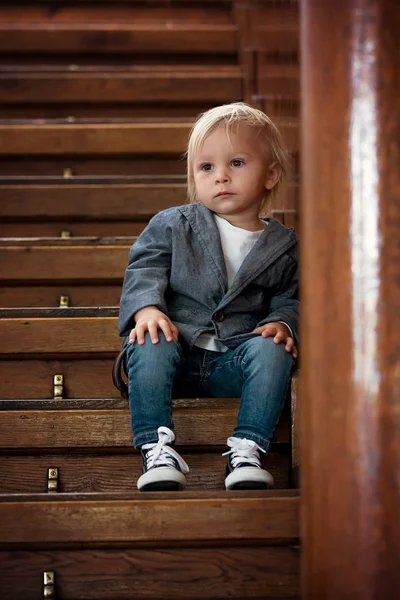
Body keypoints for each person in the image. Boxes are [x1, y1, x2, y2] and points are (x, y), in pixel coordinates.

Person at [118, 102, 299, 492]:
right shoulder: (172, 225)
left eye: (236, 163)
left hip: (232, 363)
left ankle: (248, 449)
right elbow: (145, 268)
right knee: (149, 337)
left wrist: (283, 323)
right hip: (174, 357)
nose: (220, 177)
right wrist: (147, 308)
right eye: (206, 167)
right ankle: (156, 448)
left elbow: (293, 295)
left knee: (272, 348)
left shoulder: (285, 245)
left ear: (270, 175)